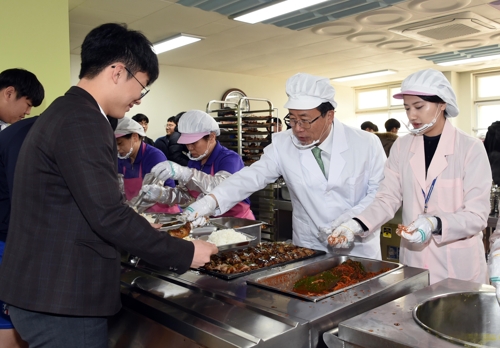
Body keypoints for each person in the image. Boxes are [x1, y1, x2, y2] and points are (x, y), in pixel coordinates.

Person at [0, 23, 217, 347]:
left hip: (41, 291)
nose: (138, 99)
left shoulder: (65, 112)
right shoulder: (83, 119)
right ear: (117, 72)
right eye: (141, 87)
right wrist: (184, 252)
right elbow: (108, 215)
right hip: (62, 298)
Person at [174, 73, 386, 258]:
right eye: (292, 120)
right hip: (310, 245)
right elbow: (250, 177)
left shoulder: (366, 144)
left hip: (358, 246)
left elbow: (380, 194)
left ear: (329, 115)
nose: (298, 129)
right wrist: (209, 202)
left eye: (305, 120)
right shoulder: (283, 144)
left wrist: (353, 224)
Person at [329, 69, 491, 285]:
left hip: (457, 264)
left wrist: (435, 222)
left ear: (442, 104)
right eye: (407, 108)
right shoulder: (402, 146)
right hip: (415, 260)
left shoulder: (470, 148)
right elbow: (387, 198)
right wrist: (356, 223)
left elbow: (477, 215)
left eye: (419, 107)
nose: (411, 115)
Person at [141, 110, 256, 219]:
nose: (189, 148)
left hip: (236, 222)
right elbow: (188, 195)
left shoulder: (230, 159)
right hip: (209, 222)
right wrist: (162, 194)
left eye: (194, 143)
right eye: (186, 143)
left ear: (211, 137)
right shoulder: (195, 160)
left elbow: (220, 187)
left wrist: (185, 173)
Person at [0, 68, 44, 348]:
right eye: (27, 104)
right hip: (4, 239)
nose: (27, 112)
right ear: (8, 93)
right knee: (8, 318)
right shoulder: (13, 136)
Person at [115, 117, 180, 213]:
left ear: (135, 137)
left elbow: (151, 195)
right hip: (138, 215)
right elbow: (120, 191)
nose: (117, 148)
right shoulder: (121, 158)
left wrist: (130, 213)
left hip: (164, 214)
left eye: (120, 143)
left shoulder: (154, 156)